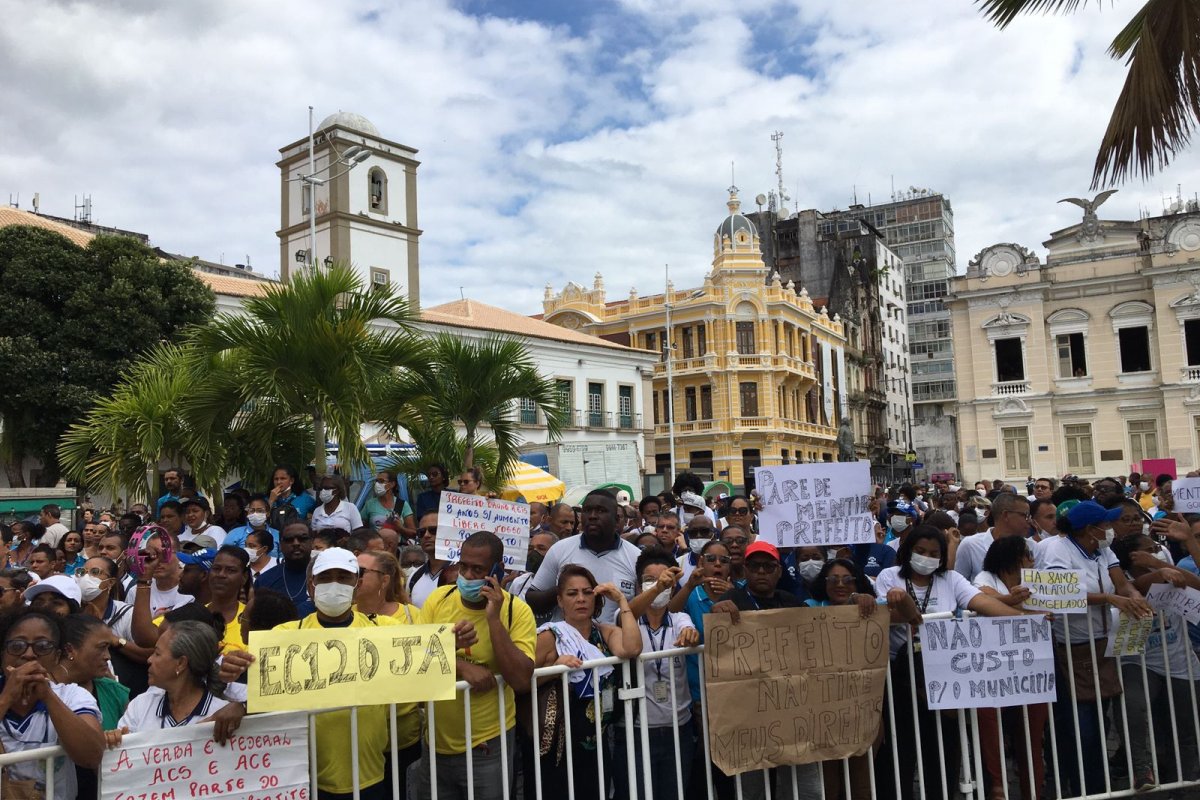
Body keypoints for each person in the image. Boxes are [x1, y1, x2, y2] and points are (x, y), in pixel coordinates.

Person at [873, 525, 1035, 800]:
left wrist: (1025, 620)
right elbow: (887, 613)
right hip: (900, 676)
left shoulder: (951, 579)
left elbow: (981, 602)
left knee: (943, 743)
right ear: (908, 551)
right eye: (920, 551)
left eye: (934, 553)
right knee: (901, 744)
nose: (927, 557)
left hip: (943, 675)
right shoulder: (890, 576)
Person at [1035, 500, 1153, 797]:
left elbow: (1120, 582)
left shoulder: (1103, 549)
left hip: (1102, 643)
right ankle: (1082, 788)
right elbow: (1060, 595)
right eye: (1106, 524)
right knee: (1081, 727)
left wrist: (1132, 594)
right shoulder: (1056, 550)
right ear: (1091, 529)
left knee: (1100, 722)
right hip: (1071, 647)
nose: (1111, 529)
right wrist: (1110, 599)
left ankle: (1099, 786)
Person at [415, 531, 536, 800]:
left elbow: (520, 680)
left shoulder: (518, 610)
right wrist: (458, 663)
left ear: (497, 570)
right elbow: (416, 656)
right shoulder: (439, 600)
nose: (467, 575)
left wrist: (493, 619)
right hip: (436, 743)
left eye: (477, 569)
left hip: (488, 745)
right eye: (463, 566)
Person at [524, 565, 641, 800]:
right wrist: (555, 668)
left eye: (587, 592)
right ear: (559, 600)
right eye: (572, 593)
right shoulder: (549, 636)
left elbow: (632, 647)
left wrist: (621, 601)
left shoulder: (605, 631)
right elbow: (521, 680)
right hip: (556, 744)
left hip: (596, 743)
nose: (581, 599)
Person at [1111, 533, 1200, 791]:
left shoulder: (1166, 569)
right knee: (1134, 708)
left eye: (1156, 548)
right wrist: (1158, 570)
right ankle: (1142, 770)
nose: (1156, 552)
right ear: (1131, 557)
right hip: (1139, 660)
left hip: (1180, 660)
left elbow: (1195, 584)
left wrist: (1161, 565)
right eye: (1148, 550)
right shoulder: (1121, 578)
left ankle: (1185, 784)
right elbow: (1137, 586)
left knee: (1185, 728)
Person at [612, 550, 699, 800]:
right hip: (636, 732)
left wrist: (691, 635)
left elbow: (688, 628)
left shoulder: (679, 618)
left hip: (677, 730)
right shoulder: (627, 619)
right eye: (650, 580)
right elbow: (625, 615)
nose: (658, 584)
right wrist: (656, 587)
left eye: (664, 580)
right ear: (640, 585)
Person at [972, 535, 1048, 800]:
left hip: (1030, 669)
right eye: (1027, 554)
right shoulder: (984, 578)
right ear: (1013, 559)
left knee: (1032, 734)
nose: (1032, 559)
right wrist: (1010, 600)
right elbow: (980, 598)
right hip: (992, 668)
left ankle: (1033, 791)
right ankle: (997, 786)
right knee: (990, 727)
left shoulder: (1037, 581)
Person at [0, 609, 104, 799]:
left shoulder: (72, 695)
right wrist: (6, 698)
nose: (29, 654)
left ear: (57, 657)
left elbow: (92, 756)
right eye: (17, 646)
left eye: (42, 646)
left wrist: (47, 695)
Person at [107, 621, 233, 747]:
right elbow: (124, 757)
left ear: (181, 663)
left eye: (157, 653)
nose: (149, 659)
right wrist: (113, 740)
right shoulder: (140, 707)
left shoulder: (223, 716)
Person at [525, 490, 642, 624]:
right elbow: (532, 600)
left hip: (617, 642)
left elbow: (646, 612)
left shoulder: (636, 557)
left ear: (616, 519)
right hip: (566, 642)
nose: (592, 516)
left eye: (601, 511)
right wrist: (564, 589)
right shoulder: (559, 549)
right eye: (587, 510)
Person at [61, 614, 129, 800]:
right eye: (101, 648)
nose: (108, 656)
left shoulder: (116, 692)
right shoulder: (45, 692)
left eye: (108, 648)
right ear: (69, 650)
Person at [954, 492, 1031, 582]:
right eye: (1025, 515)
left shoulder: (1033, 548)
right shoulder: (970, 545)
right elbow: (959, 584)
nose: (1029, 521)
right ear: (1006, 515)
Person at [255, 521, 316, 615]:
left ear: (312, 542)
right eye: (289, 539)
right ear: (280, 545)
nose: (296, 543)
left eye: (302, 538)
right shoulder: (264, 581)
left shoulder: (325, 576)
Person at [408, 511, 457, 608]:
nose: (426, 535)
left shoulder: (463, 572)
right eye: (421, 532)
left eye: (433, 530)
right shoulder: (414, 577)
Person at [355, 549, 419, 623]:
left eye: (360, 571)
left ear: (384, 581)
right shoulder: (342, 615)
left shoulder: (412, 615)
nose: (353, 577)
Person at [363, 470, 416, 539]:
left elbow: (413, 533)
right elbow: (361, 529)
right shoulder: (370, 504)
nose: (377, 484)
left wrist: (400, 528)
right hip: (376, 546)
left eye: (381, 481)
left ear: (392, 484)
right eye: (376, 481)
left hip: (397, 546)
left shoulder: (402, 504)